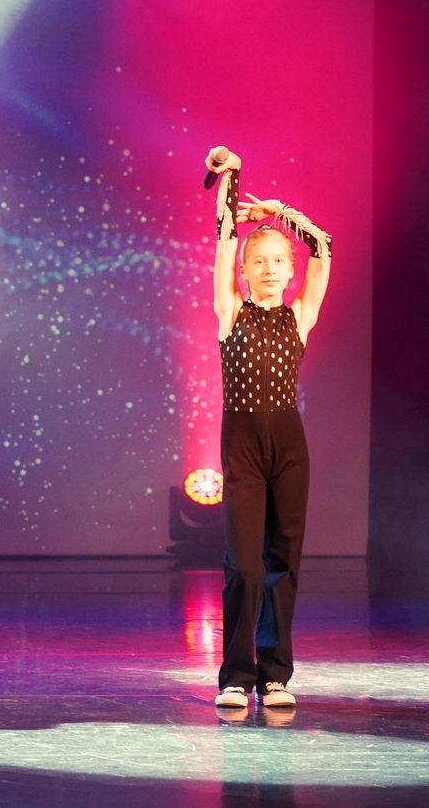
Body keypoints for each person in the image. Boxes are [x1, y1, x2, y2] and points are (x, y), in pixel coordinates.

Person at [204, 146, 331, 711]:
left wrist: (282, 214)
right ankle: (236, 675)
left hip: (289, 445)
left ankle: (275, 675)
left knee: (284, 560)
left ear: (290, 269)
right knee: (245, 565)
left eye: (280, 260)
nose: (271, 268)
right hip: (243, 446)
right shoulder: (231, 311)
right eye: (260, 261)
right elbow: (224, 240)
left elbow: (324, 246)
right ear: (246, 271)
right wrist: (231, 178)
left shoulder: (300, 316)